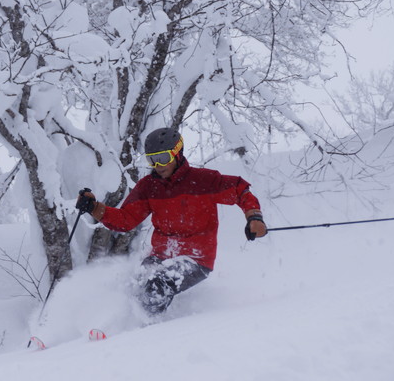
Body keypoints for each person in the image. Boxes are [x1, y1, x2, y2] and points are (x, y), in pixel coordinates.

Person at [76, 127, 267, 315]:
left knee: (157, 283)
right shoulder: (149, 187)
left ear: (177, 153)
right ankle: (115, 326)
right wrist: (94, 208)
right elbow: (126, 219)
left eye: (163, 158)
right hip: (160, 255)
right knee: (134, 284)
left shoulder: (203, 181)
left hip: (196, 259)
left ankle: (143, 333)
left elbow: (240, 190)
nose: (158, 166)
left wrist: (254, 216)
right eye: (152, 160)